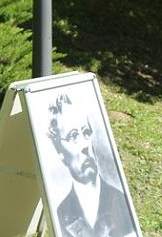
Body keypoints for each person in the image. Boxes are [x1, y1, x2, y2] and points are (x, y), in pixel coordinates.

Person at [47, 93, 137, 237]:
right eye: (73, 136)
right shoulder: (61, 214)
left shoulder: (120, 200)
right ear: (60, 151)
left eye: (86, 132)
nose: (85, 145)